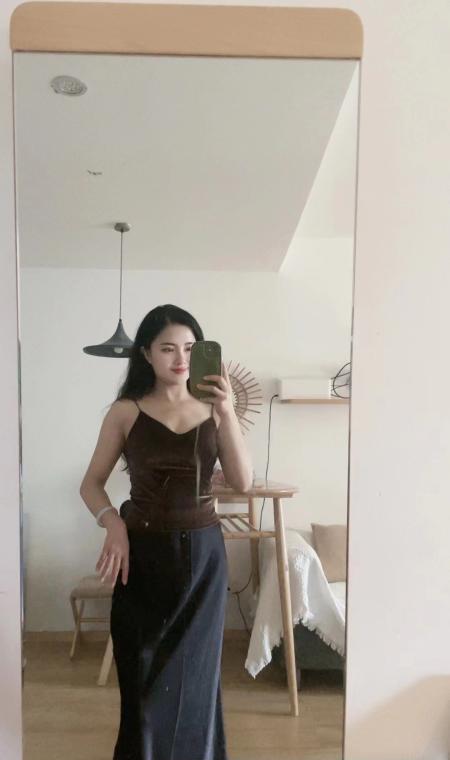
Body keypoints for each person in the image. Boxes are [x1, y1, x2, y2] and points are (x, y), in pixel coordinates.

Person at [79, 304, 253, 760]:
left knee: (196, 687)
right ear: (146, 354)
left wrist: (227, 410)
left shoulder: (215, 409)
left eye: (190, 348)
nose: (181, 359)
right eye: (168, 348)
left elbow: (242, 481)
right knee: (143, 688)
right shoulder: (126, 411)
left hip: (204, 560)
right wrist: (113, 523)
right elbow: (91, 484)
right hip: (142, 557)